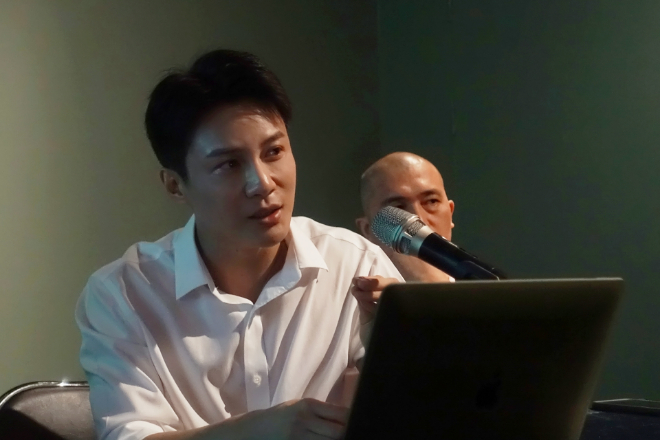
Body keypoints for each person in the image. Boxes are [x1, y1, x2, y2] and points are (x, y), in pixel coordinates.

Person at [75, 49, 401, 440]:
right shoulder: (124, 294)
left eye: (274, 152)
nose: (262, 183)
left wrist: (391, 353)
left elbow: (424, 412)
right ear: (175, 186)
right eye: (229, 164)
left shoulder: (356, 263)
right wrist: (256, 432)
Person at [356, 152, 456, 282]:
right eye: (398, 208)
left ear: (450, 213)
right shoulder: (347, 291)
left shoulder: (480, 287)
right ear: (368, 230)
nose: (420, 222)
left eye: (432, 201)